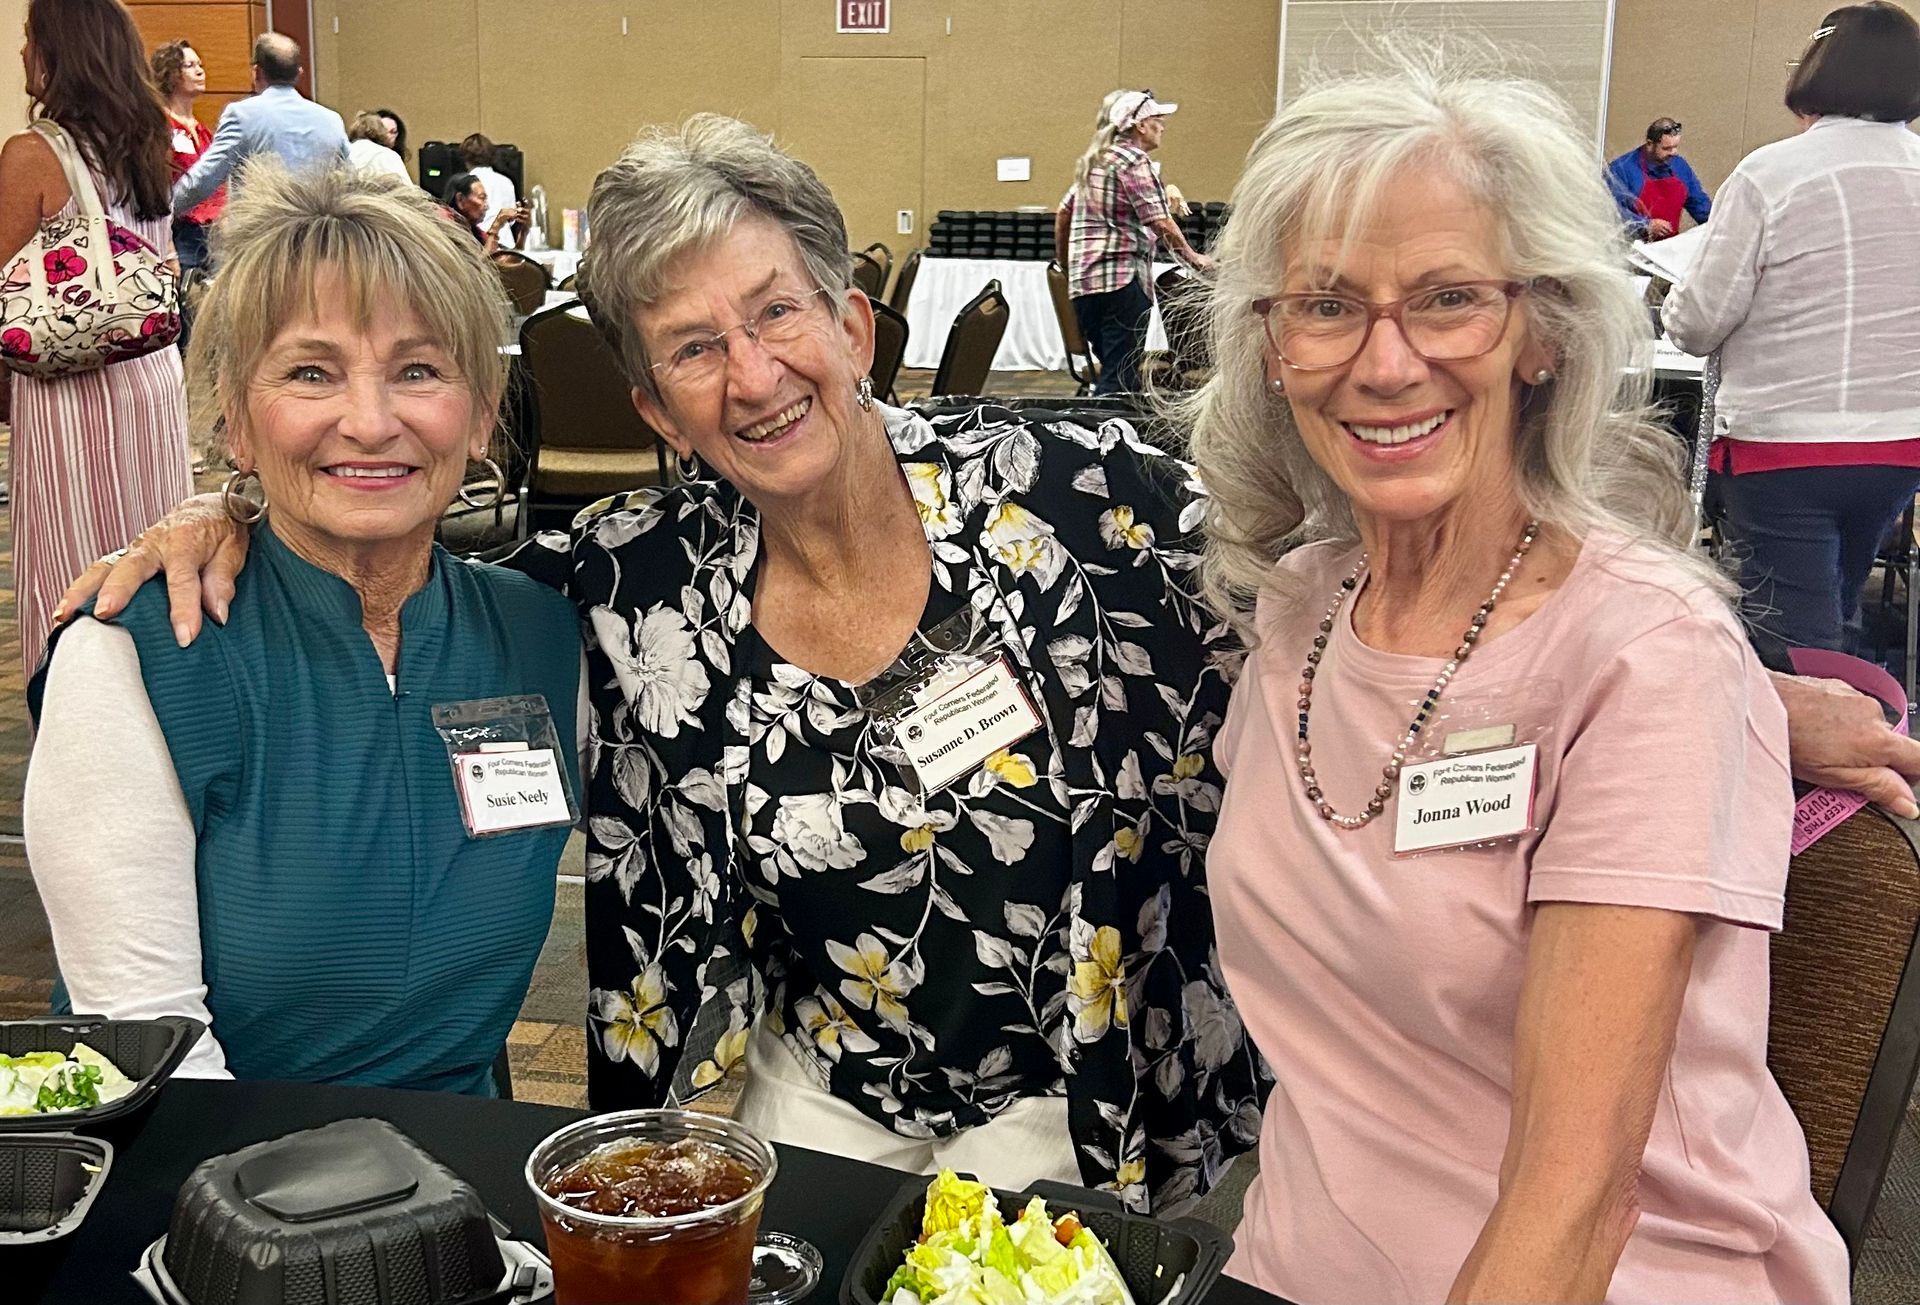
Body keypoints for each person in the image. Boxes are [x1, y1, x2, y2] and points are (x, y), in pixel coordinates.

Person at [58, 114, 1267, 1213]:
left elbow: (1309, 586)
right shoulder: (629, 588)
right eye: (693, 348)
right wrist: (217, 515)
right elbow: (147, 1055)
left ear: (853, 326)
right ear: (653, 408)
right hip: (289, 1193)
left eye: (777, 313)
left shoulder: (1082, 502)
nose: (752, 375)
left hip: (1081, 1094)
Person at [1188, 52, 1848, 1303]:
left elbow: (1576, 1202)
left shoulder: (1649, 659)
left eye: (1448, 299)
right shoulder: (1298, 608)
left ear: (1543, 331)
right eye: (1326, 306)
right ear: (1271, 346)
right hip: (1296, 1269)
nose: (1385, 364)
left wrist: (1749, 697)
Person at [24, 163, 581, 1093]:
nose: (369, 421)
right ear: (239, 420)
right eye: (311, 372)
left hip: (467, 1161)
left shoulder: (543, 634)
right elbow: (153, 1052)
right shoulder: (134, 653)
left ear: (483, 413)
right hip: (209, 1159)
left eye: (418, 370)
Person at [1666, 2, 1920, 656]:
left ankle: (1815, 717)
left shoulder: (1769, 174)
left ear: (1815, 68)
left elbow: (1697, 325)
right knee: (1836, 611)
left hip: (1784, 447)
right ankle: (1851, 699)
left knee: (1790, 646)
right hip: (1899, 447)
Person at [0, 0, 192, 683]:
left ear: (62, 53)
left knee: (71, 559)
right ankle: (167, 696)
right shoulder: (148, 144)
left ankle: (79, 704)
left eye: (31, 39)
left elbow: (3, 293)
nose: (23, 53)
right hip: (149, 374)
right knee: (155, 546)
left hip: (69, 390)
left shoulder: (32, 154)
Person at [1054, 89, 1211, 395]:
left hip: (1086, 286)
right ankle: (1104, 424)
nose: (1162, 126)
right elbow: (1158, 220)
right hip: (1121, 282)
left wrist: (1066, 264)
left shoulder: (1096, 161)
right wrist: (1195, 259)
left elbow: (1063, 213)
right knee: (1119, 380)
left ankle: (1105, 418)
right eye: (1157, 119)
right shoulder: (1134, 160)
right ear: (1140, 125)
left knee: (1114, 370)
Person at [171, 32, 347, 213]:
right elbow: (349, 181)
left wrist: (166, 210)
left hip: (263, 228)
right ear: (299, 73)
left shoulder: (241, 115)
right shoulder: (332, 120)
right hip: (319, 229)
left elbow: (205, 179)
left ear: (256, 72)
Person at [150, 39, 222, 275]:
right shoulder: (161, 126)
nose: (200, 71)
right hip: (182, 231)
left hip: (215, 232)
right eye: (190, 66)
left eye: (200, 65)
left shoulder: (203, 130)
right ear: (171, 74)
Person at [1607, 116, 1712, 240]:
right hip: (1629, 246)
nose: (1673, 152)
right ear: (1650, 144)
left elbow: (1699, 205)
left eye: (1676, 146)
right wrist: (1645, 225)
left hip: (1667, 247)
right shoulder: (1621, 169)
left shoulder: (1680, 166)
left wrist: (1716, 224)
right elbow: (1611, 211)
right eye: (1667, 148)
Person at [459, 131, 519, 249]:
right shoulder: (506, 181)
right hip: (506, 245)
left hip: (478, 245)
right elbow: (512, 218)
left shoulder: (465, 182)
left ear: (465, 158)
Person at [442, 171, 522, 256]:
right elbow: (477, 262)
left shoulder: (475, 231)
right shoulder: (444, 224)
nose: (487, 206)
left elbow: (498, 258)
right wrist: (496, 226)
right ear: (460, 199)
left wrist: (523, 229)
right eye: (482, 198)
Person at [345, 109, 410, 184]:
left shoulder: (345, 153)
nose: (388, 135)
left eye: (393, 132)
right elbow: (407, 189)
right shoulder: (388, 155)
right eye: (385, 130)